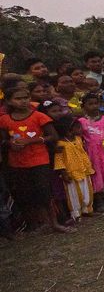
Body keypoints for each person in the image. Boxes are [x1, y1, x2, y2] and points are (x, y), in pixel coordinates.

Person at [0, 87, 72, 233]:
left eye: (25, 97)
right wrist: (10, 144)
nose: (23, 101)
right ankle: (41, 222)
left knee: (45, 192)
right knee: (27, 193)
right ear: (8, 101)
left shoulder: (39, 116)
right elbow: (3, 140)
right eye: (18, 98)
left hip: (39, 160)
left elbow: (53, 136)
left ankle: (55, 223)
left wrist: (31, 141)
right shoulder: (4, 120)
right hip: (17, 162)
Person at [52, 116, 96, 222]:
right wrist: (63, 172)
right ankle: (76, 213)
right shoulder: (61, 144)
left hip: (83, 169)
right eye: (78, 127)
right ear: (68, 130)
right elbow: (59, 159)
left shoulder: (78, 139)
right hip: (71, 171)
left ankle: (87, 209)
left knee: (87, 191)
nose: (80, 130)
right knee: (74, 194)